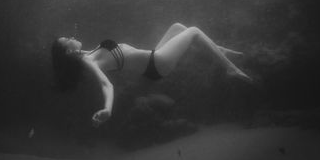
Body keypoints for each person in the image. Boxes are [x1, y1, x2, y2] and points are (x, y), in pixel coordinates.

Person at [51, 23, 251, 127]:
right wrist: (107, 109)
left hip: (153, 59)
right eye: (67, 39)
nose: (72, 37)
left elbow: (86, 57)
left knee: (177, 27)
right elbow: (106, 85)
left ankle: (218, 49)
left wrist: (73, 55)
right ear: (68, 51)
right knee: (193, 31)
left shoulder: (85, 55)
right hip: (158, 63)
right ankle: (230, 67)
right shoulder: (88, 61)